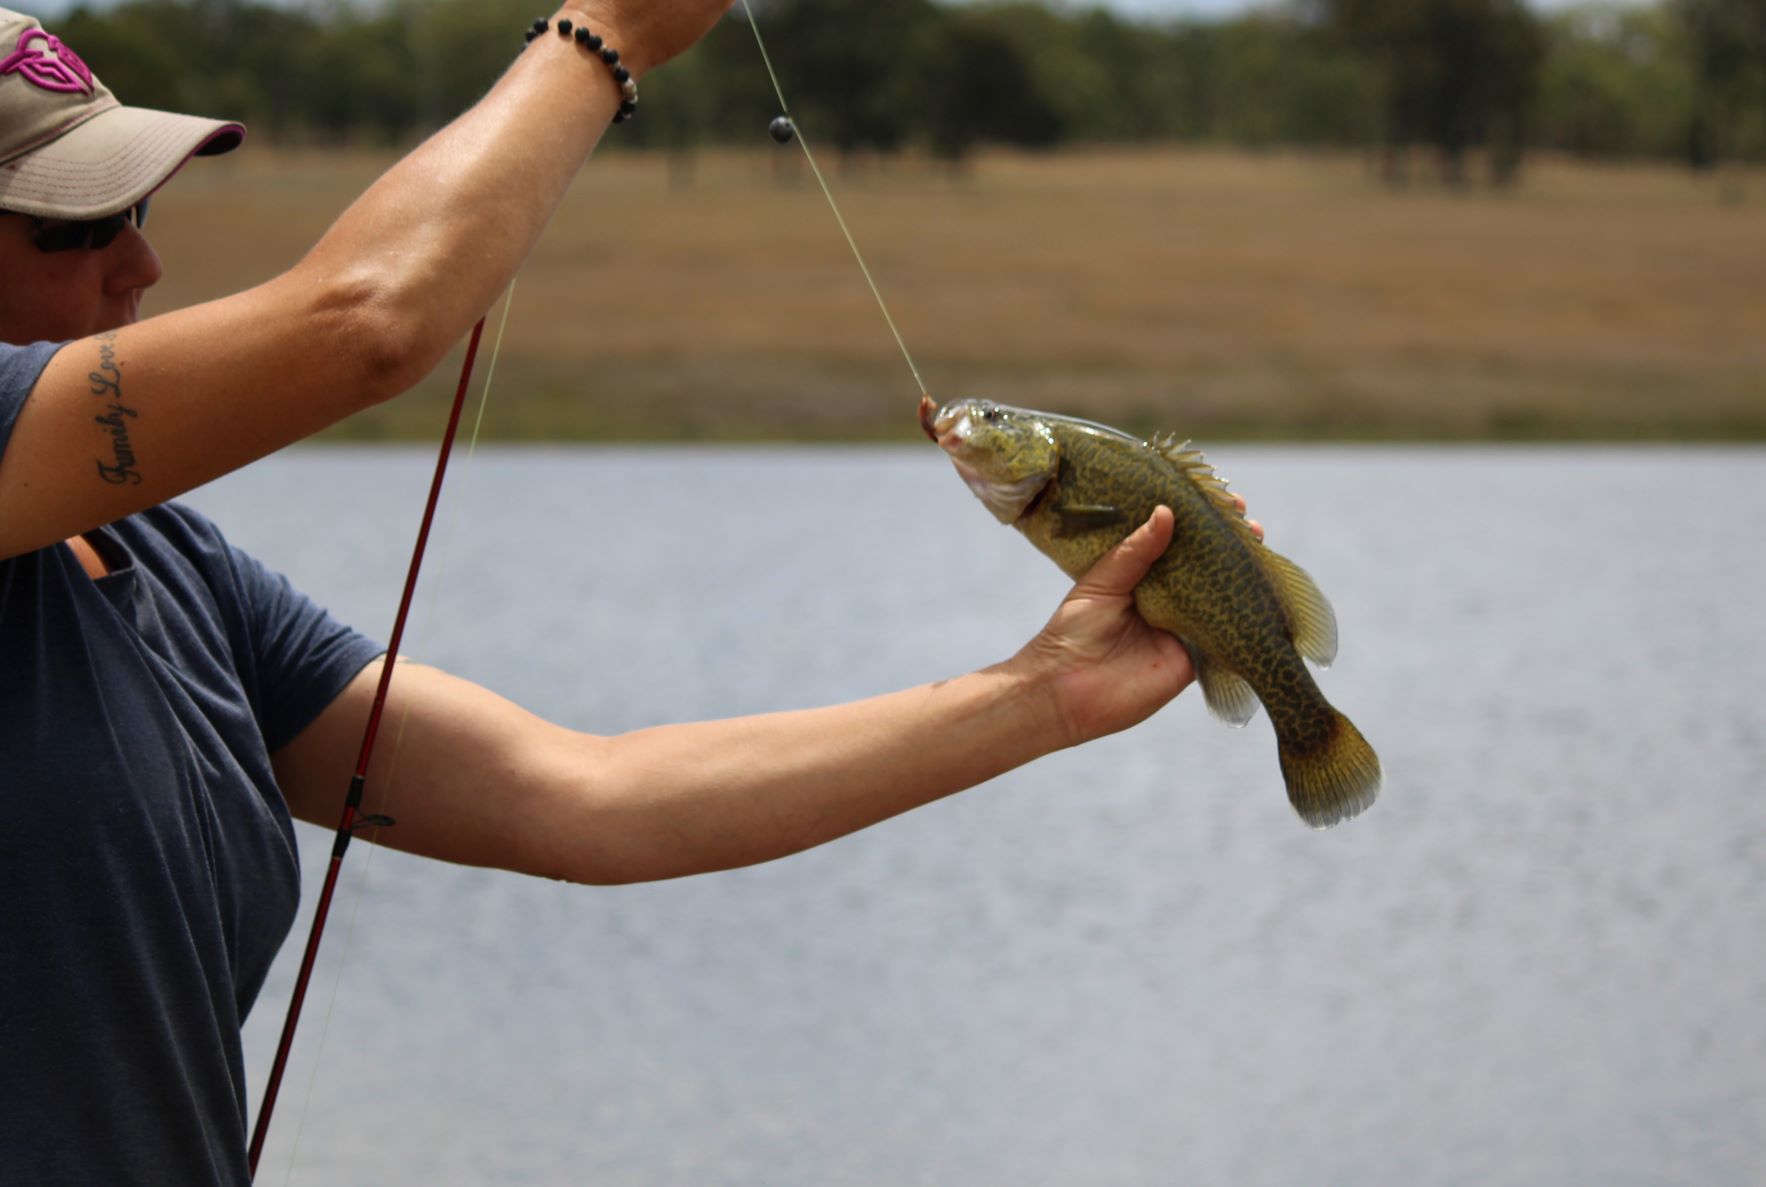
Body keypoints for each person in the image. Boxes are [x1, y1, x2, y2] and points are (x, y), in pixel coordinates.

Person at [0, 4, 1260, 1183]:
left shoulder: (169, 566)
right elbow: (370, 320)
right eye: (75, 227)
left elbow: (583, 799)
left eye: (137, 208)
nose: (142, 262)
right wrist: (603, 33)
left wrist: (1045, 692)